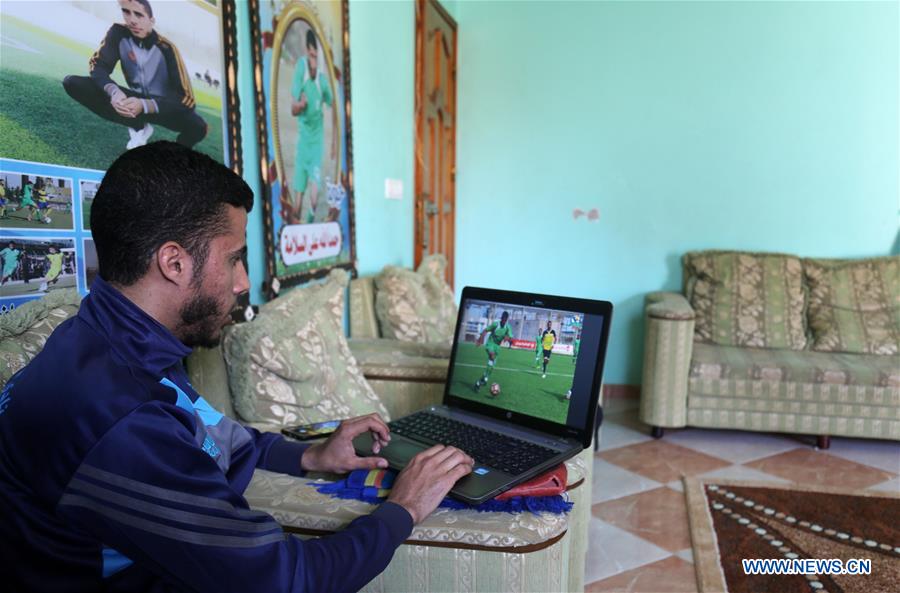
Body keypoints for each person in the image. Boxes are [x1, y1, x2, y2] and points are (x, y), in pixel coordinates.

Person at [0, 141, 473, 592]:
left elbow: (210, 436)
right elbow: (283, 582)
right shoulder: (119, 415)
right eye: (234, 260)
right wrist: (405, 506)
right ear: (173, 263)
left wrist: (311, 456)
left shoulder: (110, 337)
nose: (244, 281)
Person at [62, 0, 207, 150]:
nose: (132, 20)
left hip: (162, 107)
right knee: (72, 83)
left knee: (199, 127)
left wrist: (145, 105)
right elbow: (98, 66)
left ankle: (175, 153)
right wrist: (114, 92)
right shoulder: (118, 33)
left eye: (139, 15)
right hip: (131, 100)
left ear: (151, 21)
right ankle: (137, 125)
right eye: (126, 12)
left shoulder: (167, 48)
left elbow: (186, 99)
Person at [284, 28, 334, 225]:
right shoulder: (300, 70)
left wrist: (335, 142)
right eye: (311, 55)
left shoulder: (322, 80)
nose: (314, 61)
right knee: (298, 196)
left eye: (316, 57)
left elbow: (333, 103)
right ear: (307, 52)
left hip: (317, 142)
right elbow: (293, 109)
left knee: (314, 194)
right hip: (303, 141)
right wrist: (301, 105)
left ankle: (311, 222)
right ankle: (298, 222)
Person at [473, 310, 513, 393]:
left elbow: (511, 337)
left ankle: (480, 382)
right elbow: (485, 330)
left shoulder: (508, 327)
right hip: (490, 344)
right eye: (503, 319)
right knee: (492, 355)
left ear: (507, 320)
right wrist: (481, 339)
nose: (504, 321)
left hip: (497, 347)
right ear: (501, 318)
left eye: (505, 319)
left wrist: (508, 339)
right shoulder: (496, 324)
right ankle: (484, 379)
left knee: (491, 367)